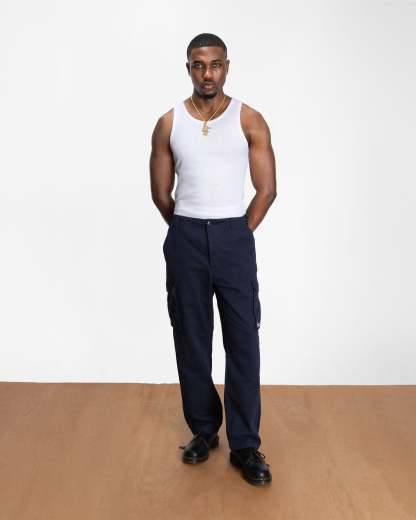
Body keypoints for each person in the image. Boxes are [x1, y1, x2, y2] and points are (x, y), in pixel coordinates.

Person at [150, 33, 277, 486]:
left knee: (243, 338)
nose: (208, 73)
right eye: (199, 65)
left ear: (227, 67)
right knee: (191, 335)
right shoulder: (169, 122)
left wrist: (236, 233)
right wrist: (188, 228)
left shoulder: (249, 119)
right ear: (188, 67)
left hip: (232, 238)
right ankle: (204, 430)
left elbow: (267, 190)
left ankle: (244, 444)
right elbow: (160, 192)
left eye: (216, 64)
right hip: (185, 234)